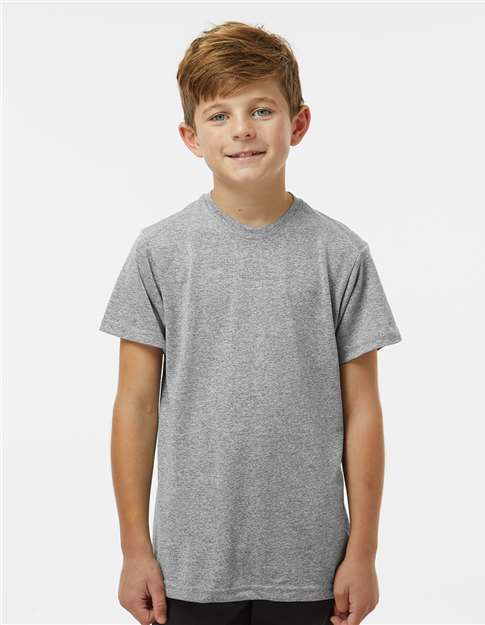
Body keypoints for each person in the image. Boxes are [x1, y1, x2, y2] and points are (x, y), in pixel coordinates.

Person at [99, 20, 403, 625]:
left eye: (261, 109)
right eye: (220, 115)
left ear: (298, 123)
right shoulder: (160, 252)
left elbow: (363, 410)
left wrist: (363, 553)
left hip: (313, 564)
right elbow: (135, 406)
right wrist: (135, 550)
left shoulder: (340, 255)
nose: (242, 129)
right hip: (189, 564)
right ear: (191, 137)